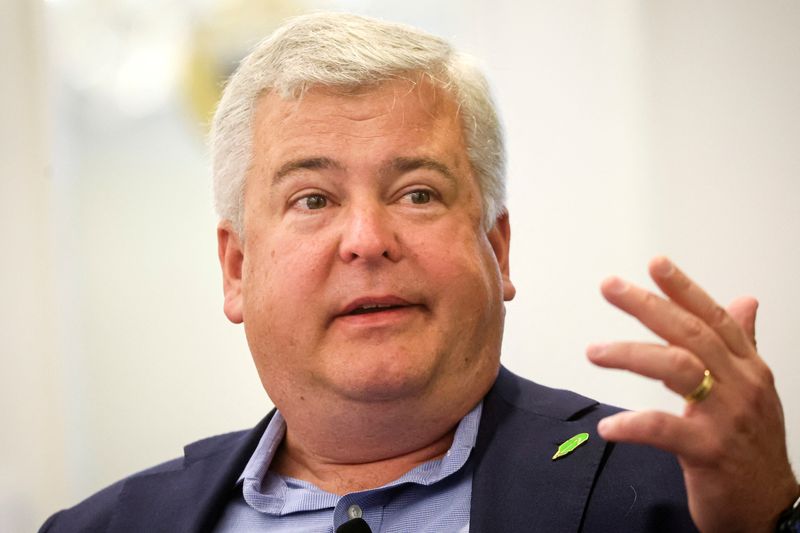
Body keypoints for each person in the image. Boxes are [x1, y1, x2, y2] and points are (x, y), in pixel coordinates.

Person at [40, 12, 798, 533]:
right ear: (236, 269)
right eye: (313, 198)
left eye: (419, 193)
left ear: (497, 250)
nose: (367, 240)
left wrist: (771, 519)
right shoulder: (100, 525)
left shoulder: (681, 502)